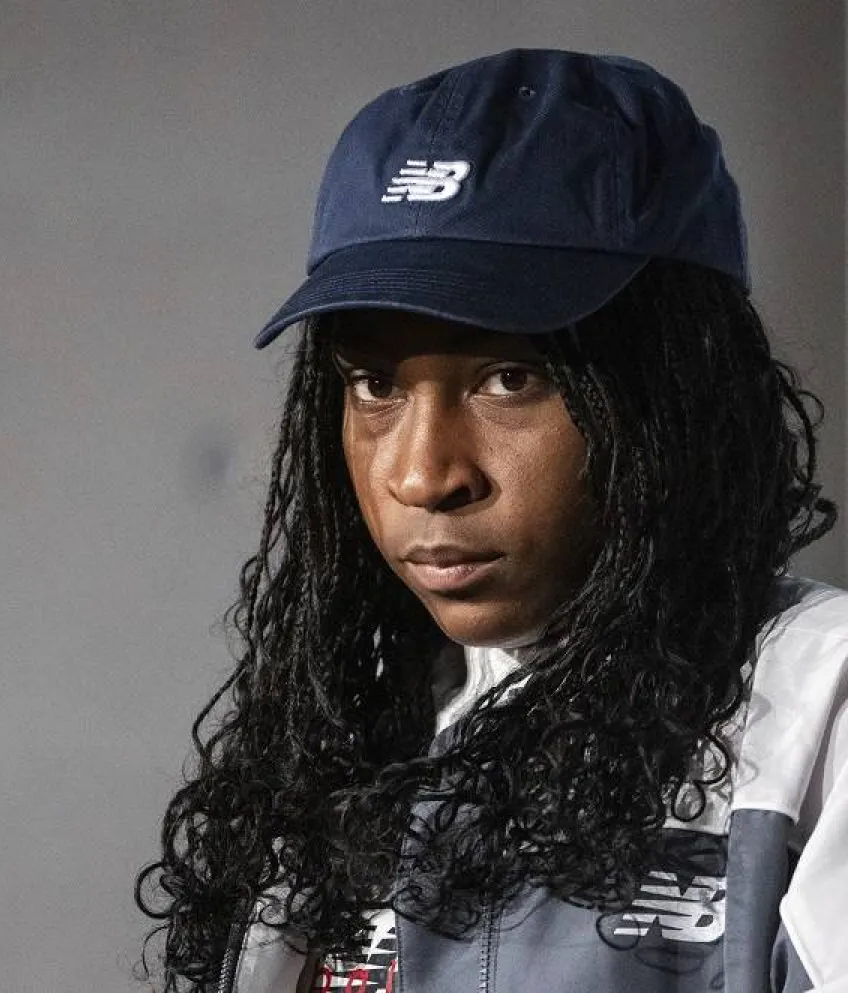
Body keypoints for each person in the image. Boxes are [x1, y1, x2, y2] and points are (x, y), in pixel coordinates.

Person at [135, 49, 848, 993]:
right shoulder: (344, 730)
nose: (424, 472)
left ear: (679, 390)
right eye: (375, 383)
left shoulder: (821, 703)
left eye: (511, 378)